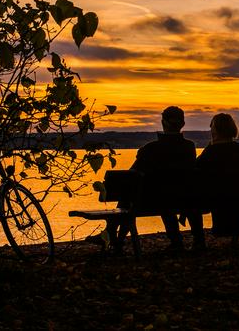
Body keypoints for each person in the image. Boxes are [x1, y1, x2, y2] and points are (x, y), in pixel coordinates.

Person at [87, 106, 203, 252]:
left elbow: (130, 175)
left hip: (152, 201)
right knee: (162, 195)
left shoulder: (150, 149)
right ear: (183, 124)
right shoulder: (189, 147)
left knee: (129, 192)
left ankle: (112, 235)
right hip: (183, 199)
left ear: (163, 122)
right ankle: (176, 241)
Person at [196, 113, 239, 245]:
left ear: (215, 130)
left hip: (218, 197)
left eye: (211, 127)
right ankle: (235, 234)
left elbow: (196, 168)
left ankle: (198, 241)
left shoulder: (211, 151)